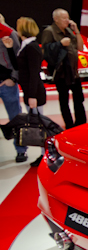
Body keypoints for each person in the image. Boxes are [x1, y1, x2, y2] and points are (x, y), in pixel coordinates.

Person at [2, 17, 48, 166]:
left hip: (34, 92)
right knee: (36, 122)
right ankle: (44, 153)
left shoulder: (32, 47)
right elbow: (18, 66)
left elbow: (34, 72)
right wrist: (9, 48)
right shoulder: (26, 46)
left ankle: (44, 154)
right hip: (29, 90)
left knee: (39, 124)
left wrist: (32, 95)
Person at [41, 8, 86, 129]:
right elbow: (45, 51)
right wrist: (60, 44)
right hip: (61, 72)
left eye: (68, 17)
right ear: (56, 19)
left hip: (73, 71)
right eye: (64, 18)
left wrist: (76, 31)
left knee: (79, 98)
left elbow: (80, 47)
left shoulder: (69, 30)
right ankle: (69, 125)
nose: (67, 20)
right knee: (64, 100)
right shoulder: (49, 31)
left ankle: (81, 123)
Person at [0, 15, 25, 162]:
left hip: (7, 82)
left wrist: (13, 78)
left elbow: (18, 57)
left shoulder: (9, 33)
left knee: (15, 116)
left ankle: (21, 150)